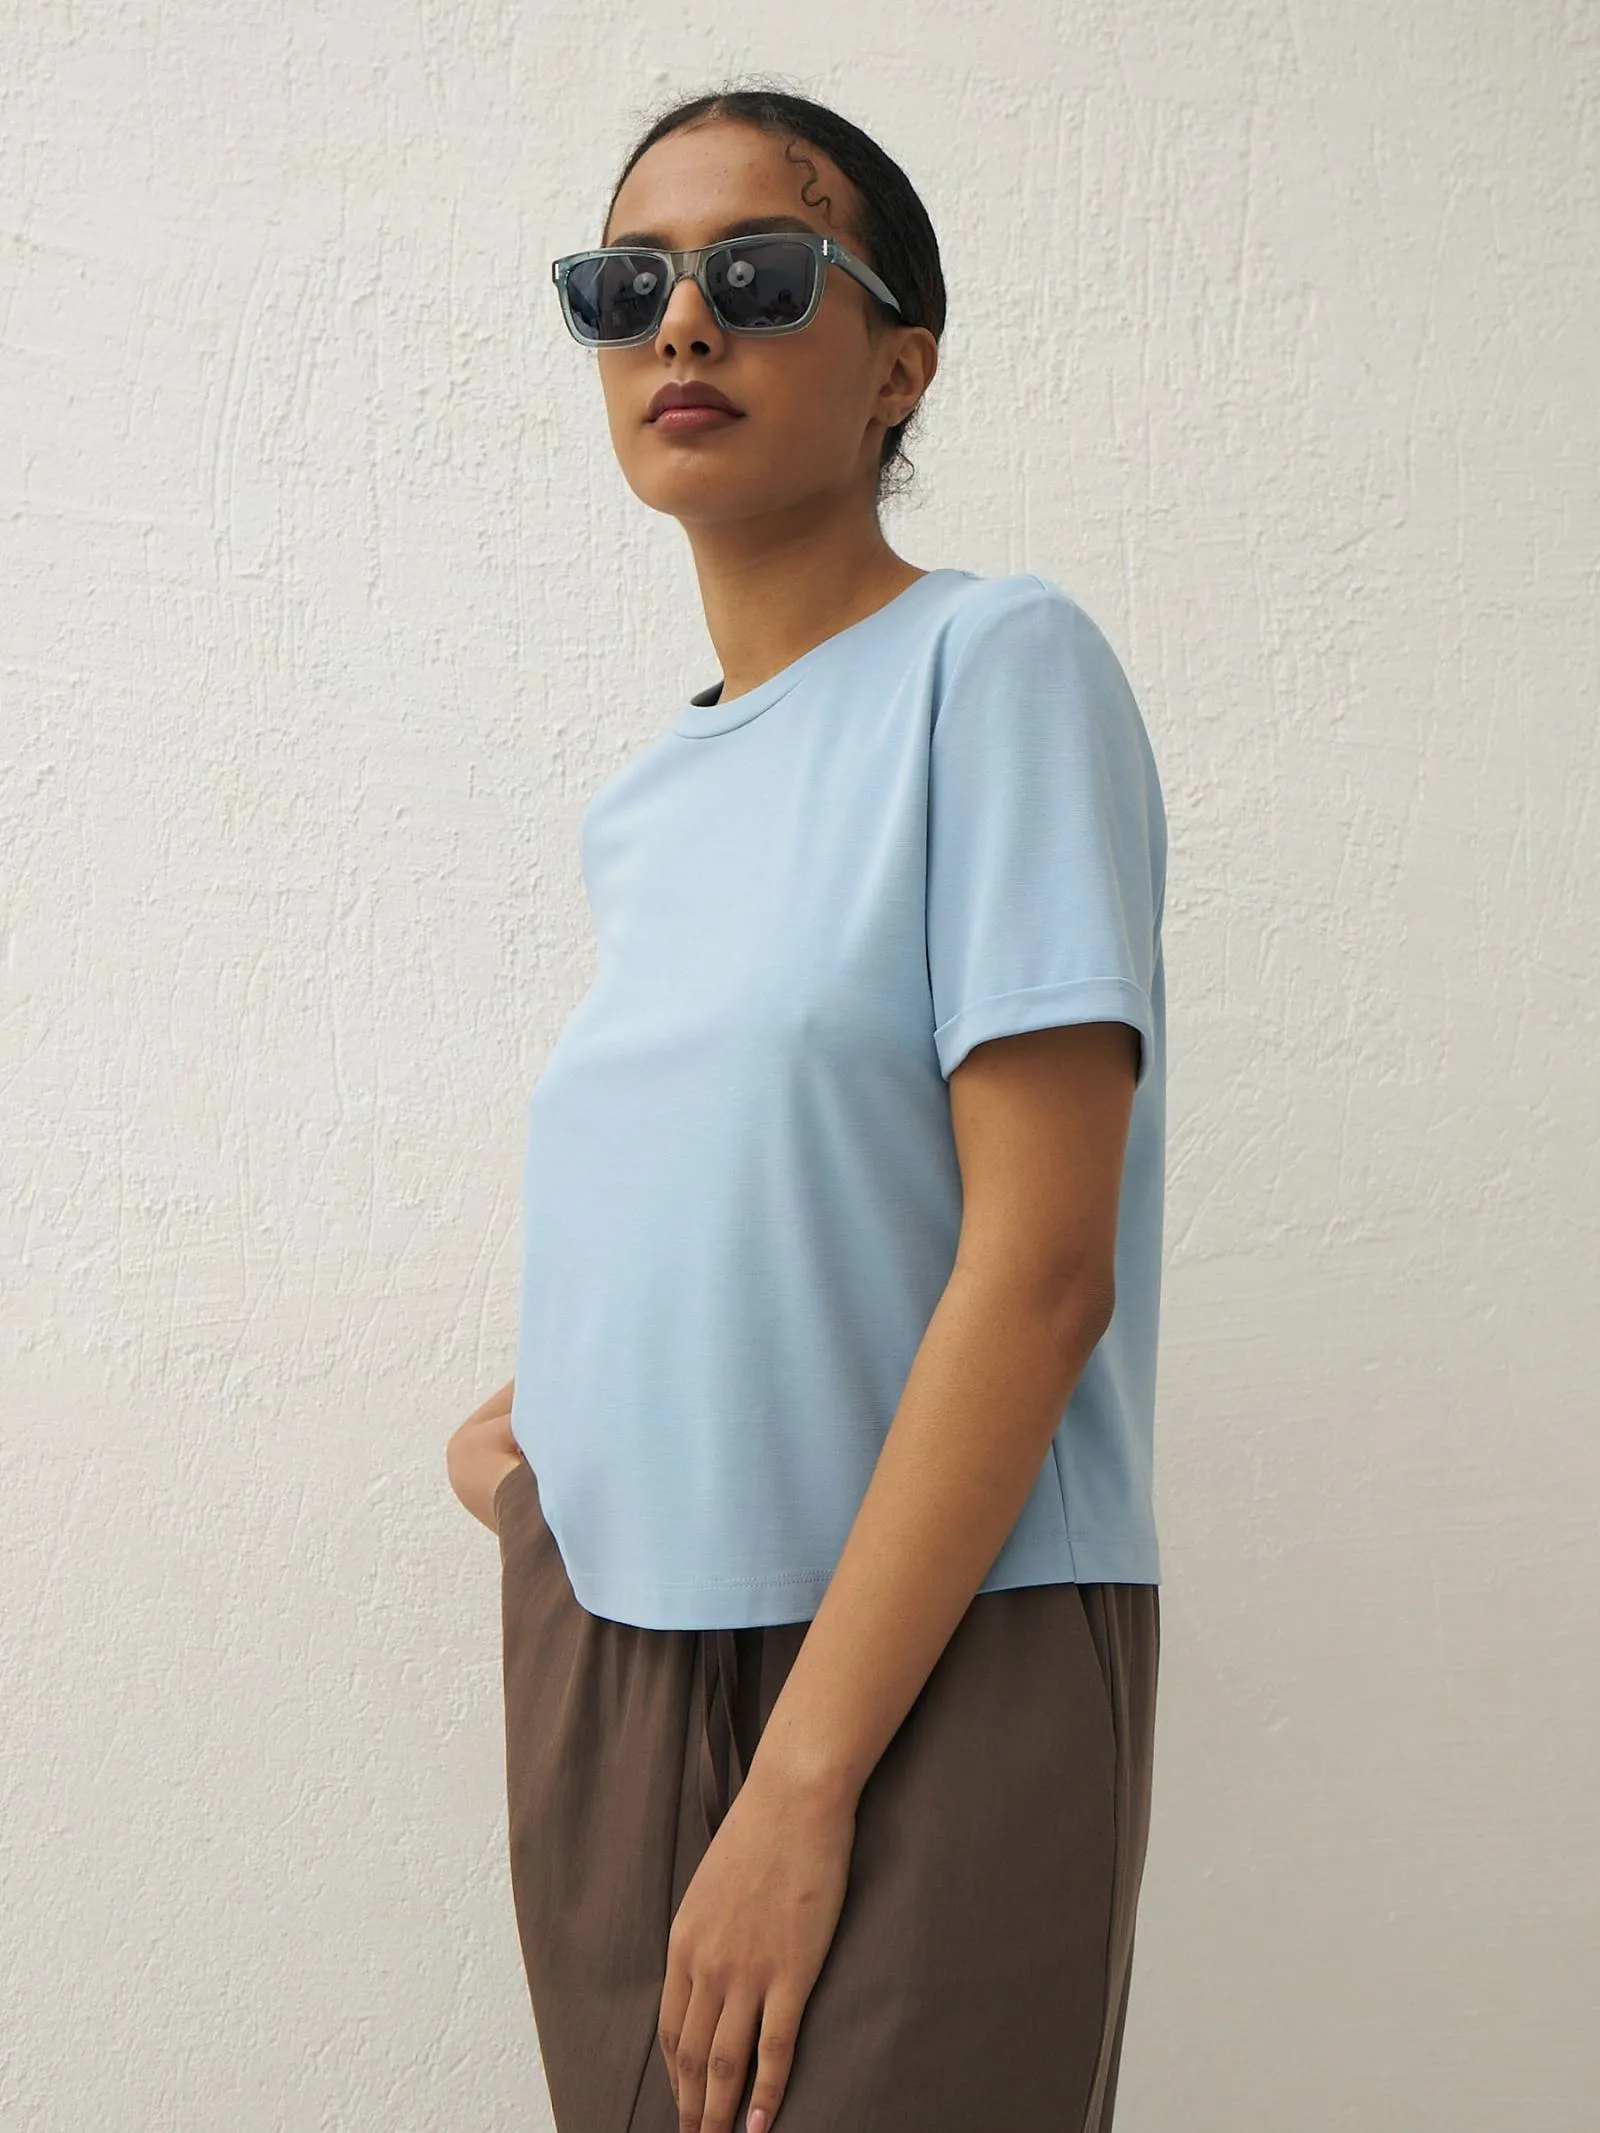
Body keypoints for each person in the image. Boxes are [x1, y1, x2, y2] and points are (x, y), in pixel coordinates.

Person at [446, 81, 1167, 2133]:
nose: (680, 322)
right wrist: (539, 1467)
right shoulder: (645, 805)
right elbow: (749, 1200)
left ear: (896, 368)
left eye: (758, 275)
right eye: (626, 285)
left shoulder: (996, 667)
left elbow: (1043, 1270)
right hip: (614, 1638)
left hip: (931, 1655)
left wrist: (798, 1786)